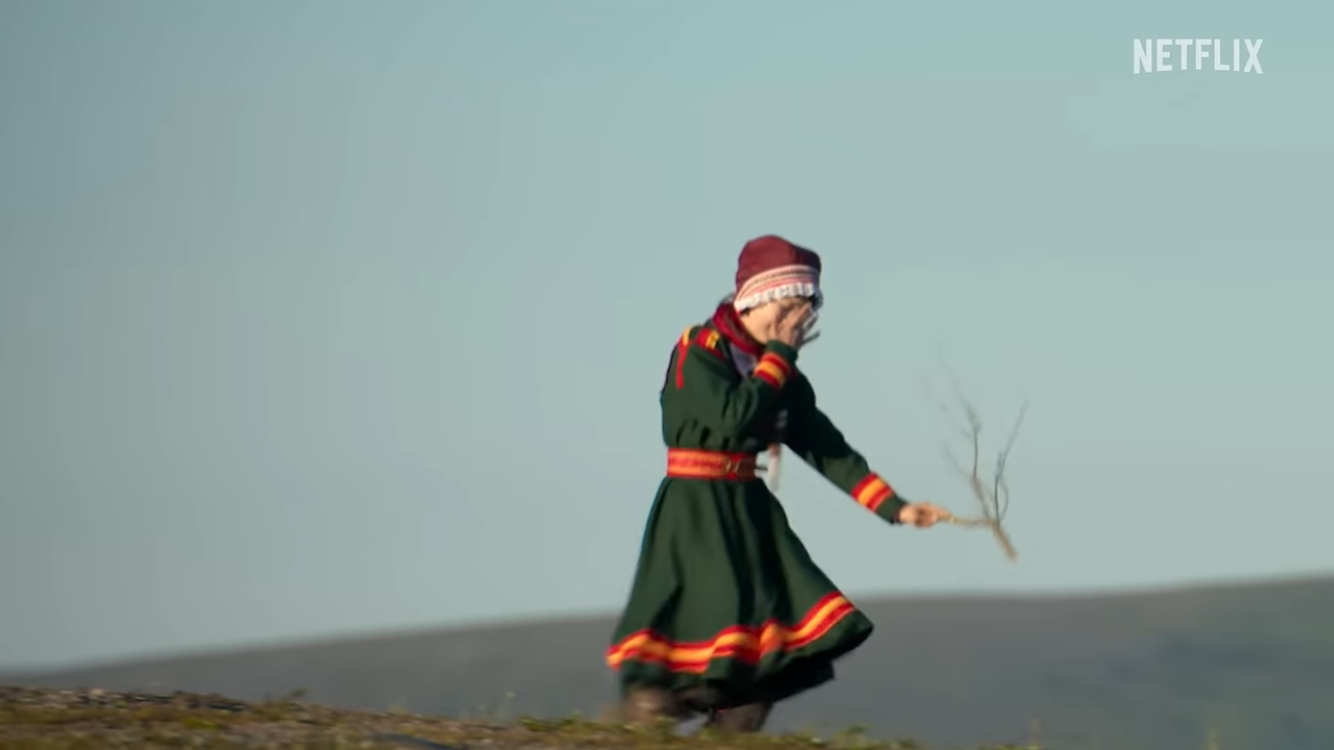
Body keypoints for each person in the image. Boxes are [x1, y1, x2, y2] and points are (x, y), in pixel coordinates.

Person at [605, 235, 951, 734]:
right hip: (696, 511)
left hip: (750, 513)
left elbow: (823, 446)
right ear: (758, 300)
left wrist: (895, 507)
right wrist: (779, 356)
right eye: (787, 310)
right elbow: (730, 419)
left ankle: (726, 728)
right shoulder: (698, 352)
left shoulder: (779, 371)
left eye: (803, 315)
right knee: (710, 618)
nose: (794, 325)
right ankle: (651, 710)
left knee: (768, 648)